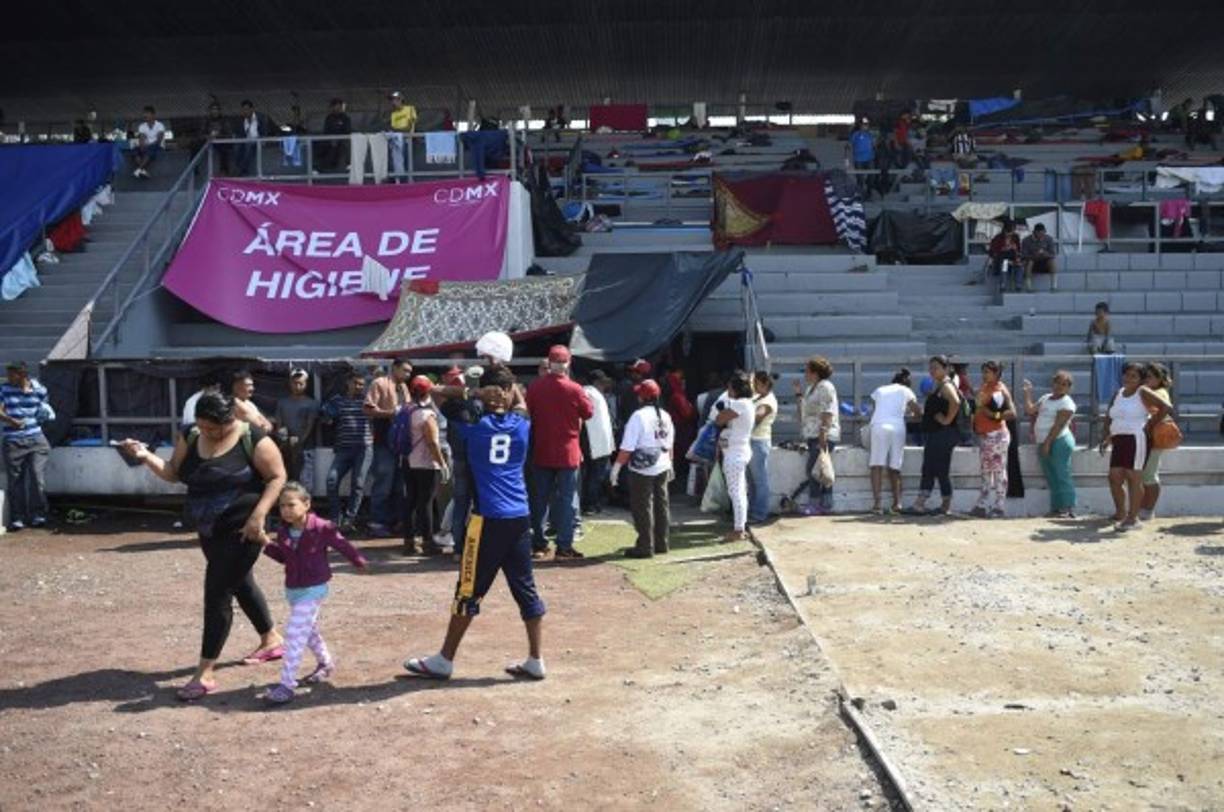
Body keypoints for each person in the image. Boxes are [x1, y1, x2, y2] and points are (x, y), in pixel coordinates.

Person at [119, 393, 286, 701]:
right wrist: (144, 456)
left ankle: (204, 674)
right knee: (240, 583)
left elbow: (277, 477)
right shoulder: (191, 435)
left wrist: (259, 516)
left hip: (244, 529)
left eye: (216, 429)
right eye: (204, 427)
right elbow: (172, 473)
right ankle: (271, 640)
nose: (210, 433)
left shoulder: (252, 437)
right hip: (209, 530)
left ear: (230, 420)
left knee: (218, 592)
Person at [404, 366, 547, 681]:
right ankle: (536, 659)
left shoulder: (473, 424)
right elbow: (520, 403)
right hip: (519, 517)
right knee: (525, 588)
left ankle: (444, 659)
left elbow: (435, 393)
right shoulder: (521, 424)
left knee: (467, 590)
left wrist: (475, 391)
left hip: (488, 521)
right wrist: (509, 391)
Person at [258, 482, 369, 704]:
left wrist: (358, 561)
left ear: (306, 504)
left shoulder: (322, 527)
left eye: (291, 504)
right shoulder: (283, 531)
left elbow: (342, 544)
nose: (286, 510)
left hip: (314, 588)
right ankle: (326, 663)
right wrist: (265, 544)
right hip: (293, 589)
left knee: (294, 635)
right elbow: (283, 558)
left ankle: (287, 685)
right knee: (308, 631)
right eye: (282, 506)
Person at [525, 346, 593, 560]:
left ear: (549, 363)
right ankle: (564, 546)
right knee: (567, 500)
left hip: (542, 449)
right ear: (568, 363)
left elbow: (529, 412)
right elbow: (588, 412)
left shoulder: (535, 388)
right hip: (567, 451)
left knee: (539, 499)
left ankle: (539, 544)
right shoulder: (575, 388)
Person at [1099, 362, 1167, 532]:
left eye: (1133, 376)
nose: (1128, 378)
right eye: (1126, 374)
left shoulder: (1142, 392)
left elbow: (1166, 407)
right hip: (1119, 439)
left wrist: (1150, 424)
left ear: (1141, 380)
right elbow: (1109, 415)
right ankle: (1120, 512)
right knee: (1114, 476)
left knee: (1133, 477)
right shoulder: (1118, 393)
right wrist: (1106, 436)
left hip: (1136, 438)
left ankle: (1133, 518)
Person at [611, 378, 674, 558]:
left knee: (642, 506)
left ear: (641, 397)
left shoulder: (638, 416)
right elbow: (669, 444)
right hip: (662, 463)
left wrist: (616, 469)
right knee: (662, 504)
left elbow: (627, 448)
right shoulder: (665, 415)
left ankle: (645, 546)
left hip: (642, 469)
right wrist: (671, 465)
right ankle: (662, 543)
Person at [398, 375, 450, 556]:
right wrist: (442, 464)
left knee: (410, 500)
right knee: (425, 502)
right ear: (429, 391)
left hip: (407, 460)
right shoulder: (427, 414)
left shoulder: (405, 409)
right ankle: (428, 542)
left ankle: (408, 541)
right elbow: (433, 443)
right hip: (426, 463)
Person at [0, 361, 53, 531]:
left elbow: (45, 410)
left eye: (11, 374)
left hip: (36, 438)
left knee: (37, 477)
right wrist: (11, 421)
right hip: (13, 439)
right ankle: (18, 517)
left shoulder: (39, 390)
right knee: (16, 480)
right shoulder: (4, 389)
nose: (8, 377)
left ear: (22, 374)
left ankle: (39, 514)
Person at [439, 365, 484, 559]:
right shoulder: (477, 406)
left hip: (459, 459)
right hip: (475, 461)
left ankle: (459, 548)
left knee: (460, 504)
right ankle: (472, 546)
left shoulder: (448, 407)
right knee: (477, 506)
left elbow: (438, 391)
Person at [908, 356, 962, 516]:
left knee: (936, 468)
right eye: (931, 367)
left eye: (936, 367)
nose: (932, 371)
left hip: (943, 434)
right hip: (936, 433)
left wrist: (947, 420)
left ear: (946, 369)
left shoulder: (946, 385)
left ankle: (930, 504)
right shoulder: (939, 385)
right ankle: (932, 504)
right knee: (934, 468)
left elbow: (956, 402)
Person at [363, 358, 412, 536]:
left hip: (401, 443)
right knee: (383, 482)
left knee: (399, 485)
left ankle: (395, 521)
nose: (408, 375)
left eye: (409, 372)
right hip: (383, 441)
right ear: (395, 368)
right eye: (405, 370)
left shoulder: (404, 388)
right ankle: (377, 522)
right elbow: (368, 409)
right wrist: (391, 413)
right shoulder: (380, 383)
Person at [1022, 371, 1078, 518]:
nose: (1059, 386)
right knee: (1051, 475)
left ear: (1069, 388)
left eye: (1064, 384)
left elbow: (1058, 425)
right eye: (1057, 383)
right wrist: (1028, 393)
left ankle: (1068, 507)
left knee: (1061, 473)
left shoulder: (1067, 403)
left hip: (1058, 440)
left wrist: (1047, 443)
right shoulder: (1046, 398)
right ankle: (1057, 507)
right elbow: (1030, 410)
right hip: (1044, 441)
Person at [867, 368, 921, 515]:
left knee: (876, 465)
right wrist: (910, 415)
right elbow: (918, 412)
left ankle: (877, 505)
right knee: (895, 467)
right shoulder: (906, 391)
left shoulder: (880, 390)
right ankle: (897, 503)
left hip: (879, 426)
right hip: (898, 427)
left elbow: (874, 409)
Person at [322, 371, 371, 526]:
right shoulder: (337, 401)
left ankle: (350, 519)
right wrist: (328, 415)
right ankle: (336, 516)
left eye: (362, 385)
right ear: (348, 383)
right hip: (343, 449)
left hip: (364, 449)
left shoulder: (367, 401)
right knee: (331, 480)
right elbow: (325, 414)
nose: (359, 387)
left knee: (358, 484)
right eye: (356, 383)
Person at [970, 361, 1016, 518]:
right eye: (983, 372)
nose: (984, 375)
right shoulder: (984, 387)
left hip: (997, 435)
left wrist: (994, 415)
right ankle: (982, 504)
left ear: (996, 374)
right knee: (985, 471)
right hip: (985, 435)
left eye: (988, 372)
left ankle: (999, 505)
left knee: (998, 470)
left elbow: (1012, 413)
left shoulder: (1000, 389)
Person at [794, 356, 839, 516]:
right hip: (812, 433)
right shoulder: (811, 388)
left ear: (815, 372)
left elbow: (828, 411)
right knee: (821, 468)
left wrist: (823, 433)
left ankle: (815, 504)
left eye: (807, 370)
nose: (805, 373)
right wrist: (798, 395)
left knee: (814, 469)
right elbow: (805, 411)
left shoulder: (825, 387)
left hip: (822, 434)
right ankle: (826, 504)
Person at [714, 371, 756, 541]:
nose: (728, 389)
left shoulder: (740, 404)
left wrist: (724, 405)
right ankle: (740, 527)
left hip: (735, 452)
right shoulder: (745, 403)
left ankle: (739, 530)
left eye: (730, 387)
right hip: (738, 450)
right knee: (739, 491)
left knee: (736, 492)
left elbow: (719, 419)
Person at [1139, 363, 1175, 521]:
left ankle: (1148, 509)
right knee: (1144, 475)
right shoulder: (1152, 391)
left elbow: (1162, 409)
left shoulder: (1160, 392)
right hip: (1146, 438)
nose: (1146, 380)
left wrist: (1150, 424)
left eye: (1149, 377)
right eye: (1144, 377)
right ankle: (1143, 507)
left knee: (1149, 475)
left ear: (1160, 379)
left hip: (1154, 438)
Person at [580, 370, 616, 515]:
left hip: (597, 441)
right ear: (596, 382)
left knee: (593, 474)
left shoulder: (592, 393)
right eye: (603, 381)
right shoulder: (588, 393)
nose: (605, 384)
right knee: (594, 475)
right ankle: (590, 504)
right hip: (594, 442)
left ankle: (591, 502)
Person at [274, 368, 317, 483]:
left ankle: (305, 501)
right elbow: (279, 423)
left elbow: (310, 424)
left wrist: (299, 441)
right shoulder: (282, 402)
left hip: (305, 448)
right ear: (290, 383)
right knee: (286, 478)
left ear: (306, 384)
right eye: (295, 383)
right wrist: (284, 437)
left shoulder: (311, 403)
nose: (297, 386)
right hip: (286, 446)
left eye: (301, 383)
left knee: (305, 480)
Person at [747, 371, 778, 524]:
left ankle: (759, 514)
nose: (753, 385)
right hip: (753, 441)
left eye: (756, 383)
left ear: (764, 383)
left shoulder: (768, 401)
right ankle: (753, 511)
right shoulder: (757, 397)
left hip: (758, 442)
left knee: (759, 481)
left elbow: (757, 418)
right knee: (752, 481)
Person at [235, 100, 277, 176]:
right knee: (236, 147)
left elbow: (265, 131)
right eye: (243, 109)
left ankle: (243, 171)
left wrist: (262, 138)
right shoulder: (241, 120)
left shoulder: (261, 118)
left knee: (248, 146)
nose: (245, 111)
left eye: (247, 109)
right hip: (246, 140)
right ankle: (240, 168)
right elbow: (240, 133)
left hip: (258, 141)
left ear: (252, 109)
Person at [316, 97, 352, 173]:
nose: (338, 108)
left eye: (339, 106)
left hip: (342, 139)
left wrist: (338, 138)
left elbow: (347, 131)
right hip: (330, 139)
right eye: (336, 106)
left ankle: (349, 164)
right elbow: (326, 131)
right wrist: (331, 139)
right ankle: (318, 168)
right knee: (320, 145)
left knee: (345, 145)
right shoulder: (329, 118)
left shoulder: (345, 118)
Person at [388, 91, 418, 180]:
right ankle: (397, 180)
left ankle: (407, 181)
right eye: (392, 100)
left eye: (396, 99)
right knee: (396, 161)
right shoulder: (393, 114)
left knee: (406, 161)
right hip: (397, 139)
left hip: (407, 139)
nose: (393, 102)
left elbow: (411, 125)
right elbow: (393, 128)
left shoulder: (410, 109)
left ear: (401, 100)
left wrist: (408, 133)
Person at [1021, 222, 1058, 292]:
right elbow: (1023, 255)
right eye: (1040, 234)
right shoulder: (1026, 240)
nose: (1042, 235)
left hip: (1044, 263)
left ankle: (1054, 287)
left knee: (1052, 261)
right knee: (1029, 262)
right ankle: (1029, 287)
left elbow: (1053, 254)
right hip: (1032, 263)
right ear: (1035, 232)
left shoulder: (1049, 239)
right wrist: (1034, 255)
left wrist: (1045, 253)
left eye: (1043, 233)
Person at [988, 221, 1022, 293]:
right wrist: (1003, 249)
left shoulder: (1015, 237)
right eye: (1009, 232)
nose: (1010, 234)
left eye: (1012, 231)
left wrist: (1015, 250)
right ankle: (1003, 285)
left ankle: (1018, 286)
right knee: (1005, 264)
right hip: (1001, 259)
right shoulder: (998, 238)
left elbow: (1019, 250)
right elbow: (992, 251)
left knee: (1020, 266)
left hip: (1013, 258)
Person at [133, 105, 166, 179]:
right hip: (147, 146)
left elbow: (158, 141)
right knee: (135, 150)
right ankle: (142, 170)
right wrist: (142, 146)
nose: (145, 115)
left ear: (153, 115)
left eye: (147, 113)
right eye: (144, 113)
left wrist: (147, 146)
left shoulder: (160, 125)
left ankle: (138, 169)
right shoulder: (142, 126)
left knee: (151, 149)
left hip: (158, 146)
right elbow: (141, 139)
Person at [847, 120, 876, 195]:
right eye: (864, 125)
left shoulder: (870, 135)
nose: (865, 126)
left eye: (866, 125)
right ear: (860, 126)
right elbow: (850, 144)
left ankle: (869, 192)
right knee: (860, 178)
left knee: (872, 176)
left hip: (869, 158)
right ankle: (861, 193)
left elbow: (873, 145)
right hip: (858, 159)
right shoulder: (855, 134)